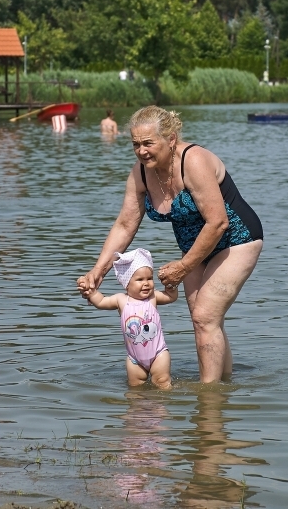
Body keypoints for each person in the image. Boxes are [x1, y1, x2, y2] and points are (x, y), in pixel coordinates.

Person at [77, 106, 264, 383]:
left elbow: (217, 223)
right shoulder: (140, 174)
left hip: (237, 238)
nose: (141, 151)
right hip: (194, 248)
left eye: (148, 143)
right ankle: (223, 388)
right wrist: (98, 271)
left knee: (204, 316)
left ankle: (208, 402)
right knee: (206, 320)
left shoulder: (194, 161)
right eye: (136, 144)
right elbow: (125, 224)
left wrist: (182, 266)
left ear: (171, 139)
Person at [84, 248, 176, 389]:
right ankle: (138, 409)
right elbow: (101, 301)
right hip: (134, 359)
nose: (146, 283)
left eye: (149, 278)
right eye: (140, 279)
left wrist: (171, 288)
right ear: (126, 283)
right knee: (135, 388)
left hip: (158, 353)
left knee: (162, 382)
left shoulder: (153, 297)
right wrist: (91, 292)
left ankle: (160, 408)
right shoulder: (121, 300)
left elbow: (171, 297)